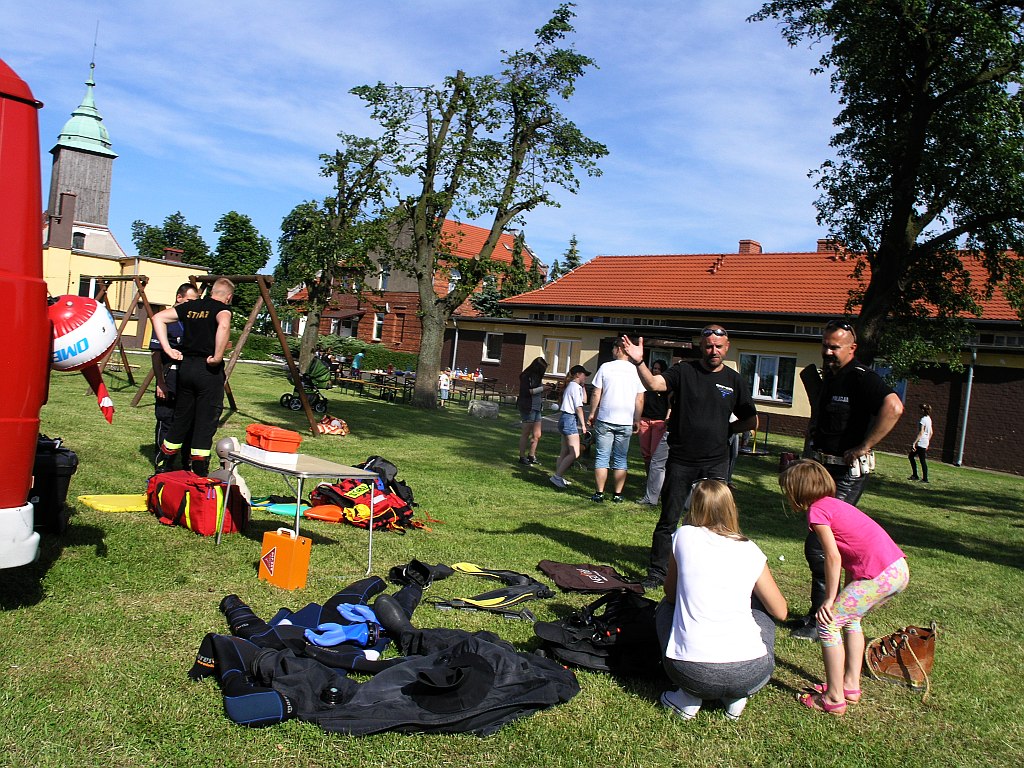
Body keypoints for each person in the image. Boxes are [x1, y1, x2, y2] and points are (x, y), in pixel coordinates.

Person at [791, 318, 904, 640]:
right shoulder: (830, 377)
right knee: (818, 543)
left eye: (834, 347)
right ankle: (822, 613)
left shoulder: (860, 378)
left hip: (847, 473)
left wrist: (866, 445)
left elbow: (894, 407)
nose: (827, 351)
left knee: (820, 546)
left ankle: (825, 617)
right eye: (825, 345)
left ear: (852, 348)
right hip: (824, 468)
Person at [622, 326, 757, 589]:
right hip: (682, 460)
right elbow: (654, 384)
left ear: (727, 347)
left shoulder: (735, 380)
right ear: (701, 347)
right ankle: (657, 572)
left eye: (718, 346)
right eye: (708, 346)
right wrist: (639, 362)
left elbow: (750, 419)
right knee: (669, 519)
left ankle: (710, 571)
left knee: (717, 521)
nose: (713, 351)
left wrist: (727, 429)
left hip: (716, 461)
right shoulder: (684, 371)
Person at [779, 460, 909, 715]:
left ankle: (834, 698)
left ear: (797, 490)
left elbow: (833, 557)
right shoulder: (837, 505)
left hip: (881, 575)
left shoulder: (818, 511)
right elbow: (855, 556)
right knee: (851, 619)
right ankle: (850, 685)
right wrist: (843, 595)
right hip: (897, 570)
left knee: (828, 624)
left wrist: (829, 599)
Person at [657, 479, 788, 721]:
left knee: (665, 608)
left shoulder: (684, 536)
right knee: (761, 611)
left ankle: (688, 697)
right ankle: (736, 696)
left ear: (694, 507)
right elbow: (780, 611)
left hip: (691, 670)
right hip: (752, 672)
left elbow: (671, 593)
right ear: (731, 508)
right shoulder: (750, 549)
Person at [152, 278, 235, 477]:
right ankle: (198, 470)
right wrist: (217, 357)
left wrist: (168, 349)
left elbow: (158, 318)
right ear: (228, 297)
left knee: (181, 417)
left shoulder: (190, 307)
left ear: (211, 291)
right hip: (207, 370)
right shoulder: (222, 310)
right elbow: (223, 326)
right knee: (205, 421)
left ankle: (163, 464)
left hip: (186, 368)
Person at [587, 340, 646, 503]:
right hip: (626, 421)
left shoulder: (606, 367)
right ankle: (617, 494)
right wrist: (637, 419)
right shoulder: (635, 370)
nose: (612, 350)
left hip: (606, 418)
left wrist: (592, 413)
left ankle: (599, 493)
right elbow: (640, 398)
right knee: (620, 458)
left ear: (619, 349)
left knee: (602, 457)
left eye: (614, 348)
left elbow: (596, 393)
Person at [150, 282, 199, 470]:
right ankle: (162, 463)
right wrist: (160, 383)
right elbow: (155, 355)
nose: (192, 305)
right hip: (169, 376)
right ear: (179, 298)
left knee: (189, 420)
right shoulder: (165, 321)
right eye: (189, 301)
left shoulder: (193, 321)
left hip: (189, 379)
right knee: (166, 418)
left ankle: (186, 463)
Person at [550, 365, 590, 488]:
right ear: (578, 374)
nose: (586, 377)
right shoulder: (575, 387)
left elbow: (584, 400)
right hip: (569, 419)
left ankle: (559, 477)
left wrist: (583, 386)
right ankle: (556, 477)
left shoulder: (574, 386)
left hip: (564, 418)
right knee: (575, 453)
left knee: (565, 451)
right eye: (584, 375)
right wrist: (583, 425)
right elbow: (579, 407)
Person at [638, 360, 671, 473]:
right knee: (645, 453)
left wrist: (666, 419)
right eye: (654, 368)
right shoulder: (647, 384)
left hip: (659, 422)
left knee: (655, 453)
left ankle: (655, 478)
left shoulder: (666, 386)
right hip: (645, 421)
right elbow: (640, 400)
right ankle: (648, 478)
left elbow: (670, 404)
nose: (656, 370)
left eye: (658, 369)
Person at [517, 357, 548, 465]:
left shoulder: (538, 378)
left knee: (537, 434)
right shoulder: (526, 376)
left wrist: (545, 389)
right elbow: (526, 392)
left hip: (537, 407)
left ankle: (531, 455)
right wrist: (542, 389)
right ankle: (522, 456)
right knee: (526, 432)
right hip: (528, 407)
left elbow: (537, 392)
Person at [908, 403, 933, 483]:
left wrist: (914, 442)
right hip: (925, 442)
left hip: (921, 442)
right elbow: (931, 432)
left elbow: (921, 432)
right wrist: (928, 442)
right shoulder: (929, 419)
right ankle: (918, 476)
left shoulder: (923, 419)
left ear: (923, 410)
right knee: (914, 457)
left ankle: (921, 477)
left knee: (916, 458)